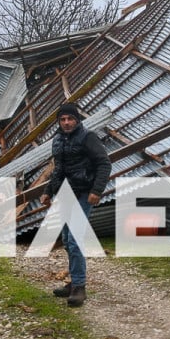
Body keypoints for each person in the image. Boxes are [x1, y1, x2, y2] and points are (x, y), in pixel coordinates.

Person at [39, 103, 111, 307]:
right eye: (62, 119)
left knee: (74, 239)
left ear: (77, 120)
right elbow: (58, 169)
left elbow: (104, 163)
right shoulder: (58, 139)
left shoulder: (88, 137)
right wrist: (47, 191)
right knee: (66, 238)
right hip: (65, 194)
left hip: (84, 192)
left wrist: (97, 190)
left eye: (70, 119)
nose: (66, 122)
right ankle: (73, 283)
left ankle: (79, 287)